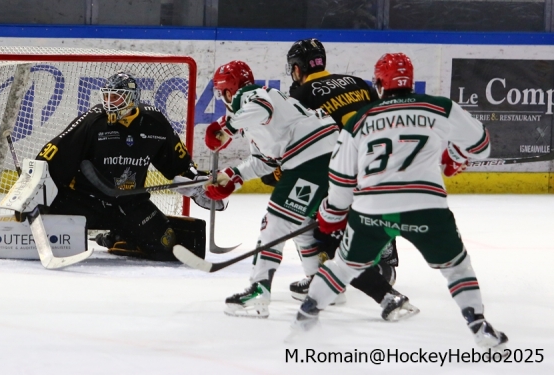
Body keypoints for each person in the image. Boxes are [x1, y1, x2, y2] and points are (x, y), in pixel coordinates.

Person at [292, 53, 507, 348]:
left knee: (343, 265)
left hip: (371, 208)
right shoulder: (439, 107)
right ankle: (478, 325)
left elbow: (341, 178)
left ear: (379, 84)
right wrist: (455, 156)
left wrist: (332, 213)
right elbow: (481, 145)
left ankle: (304, 320)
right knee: (457, 268)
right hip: (426, 207)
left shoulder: (359, 120)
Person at [284, 38, 415, 320]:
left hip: (342, 169)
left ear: (297, 68)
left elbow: (303, 148)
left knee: (312, 218)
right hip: (382, 169)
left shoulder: (301, 96)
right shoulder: (357, 82)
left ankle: (324, 275)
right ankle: (386, 260)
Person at [204, 60, 339, 318]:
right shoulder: (252, 116)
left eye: (222, 92)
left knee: (274, 222)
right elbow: (265, 161)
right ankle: (319, 284)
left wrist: (226, 128)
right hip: (325, 157)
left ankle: (259, 289)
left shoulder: (251, 97)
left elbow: (261, 107)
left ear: (229, 90)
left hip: (312, 159)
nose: (223, 98)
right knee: (297, 221)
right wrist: (232, 177)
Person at [34, 71, 205, 262]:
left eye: (115, 97)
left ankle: (117, 237)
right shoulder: (93, 121)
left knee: (166, 249)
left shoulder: (154, 123)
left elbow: (178, 162)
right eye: (106, 96)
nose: (108, 102)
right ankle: (119, 233)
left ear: (132, 98)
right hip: (86, 201)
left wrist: (196, 181)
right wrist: (34, 187)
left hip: (131, 203)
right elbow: (54, 154)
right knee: (47, 218)